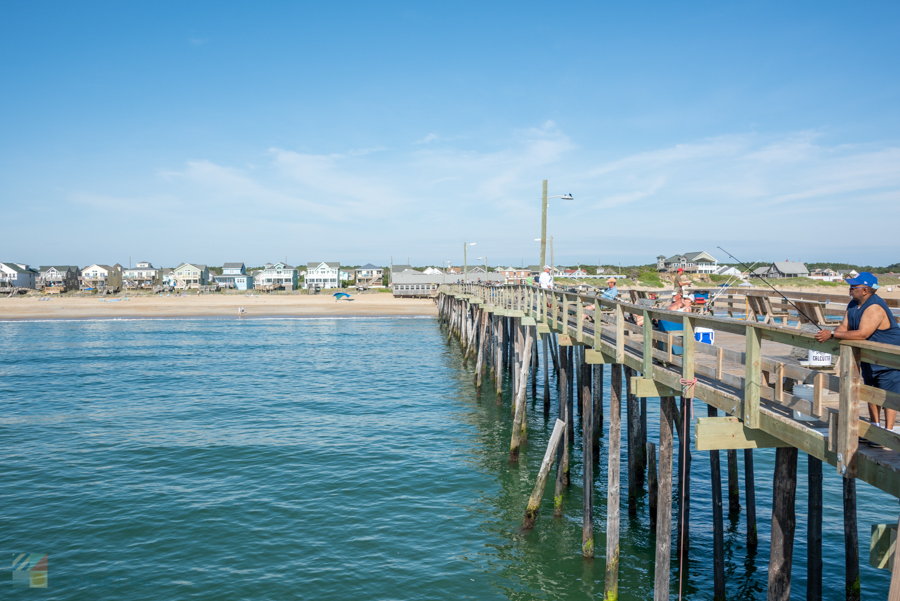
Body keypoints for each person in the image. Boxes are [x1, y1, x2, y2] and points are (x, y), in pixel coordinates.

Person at [814, 272, 900, 443]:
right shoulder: (854, 304)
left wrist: (831, 335)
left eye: (854, 287)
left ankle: (887, 434)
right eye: (850, 287)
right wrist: (831, 333)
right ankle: (874, 431)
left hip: (888, 357)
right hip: (869, 356)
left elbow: (862, 334)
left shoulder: (874, 307)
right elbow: (844, 326)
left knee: (888, 395)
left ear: (865, 290)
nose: (850, 290)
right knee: (870, 392)